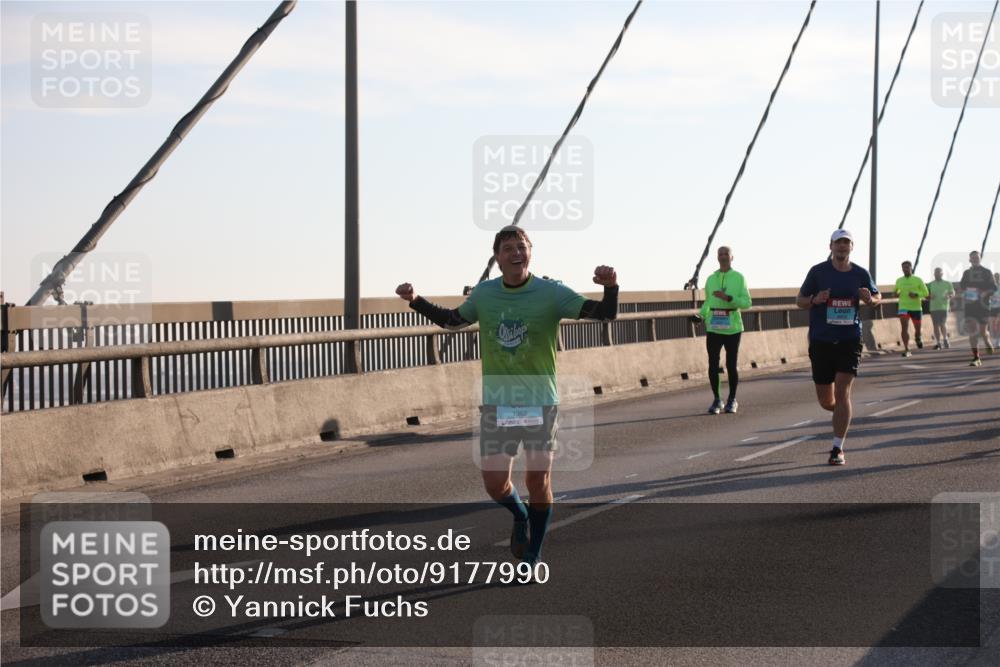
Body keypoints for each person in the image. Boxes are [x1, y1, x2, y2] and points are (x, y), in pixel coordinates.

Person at [396, 225, 618, 568]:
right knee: (495, 484)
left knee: (537, 479)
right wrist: (416, 301)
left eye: (522, 246)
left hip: (540, 401)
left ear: (530, 252)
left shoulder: (552, 292)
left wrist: (611, 288)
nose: (516, 253)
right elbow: (453, 322)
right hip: (498, 403)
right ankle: (520, 514)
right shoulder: (485, 294)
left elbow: (604, 314)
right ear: (497, 258)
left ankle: (533, 554)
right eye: (508, 248)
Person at [796, 230, 881, 466]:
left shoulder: (860, 273)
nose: (842, 247)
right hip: (821, 340)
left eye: (846, 243)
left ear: (852, 247)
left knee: (843, 392)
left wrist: (870, 299)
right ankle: (841, 414)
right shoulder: (818, 272)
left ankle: (837, 448)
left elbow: (877, 296)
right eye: (838, 243)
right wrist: (815, 300)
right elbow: (800, 301)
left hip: (849, 340)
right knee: (827, 401)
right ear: (830, 246)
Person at [697, 246, 752, 414]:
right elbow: (708, 302)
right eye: (720, 254)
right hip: (714, 327)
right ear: (717, 257)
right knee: (713, 364)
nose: (723, 256)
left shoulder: (739, 278)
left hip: (732, 328)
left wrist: (728, 298)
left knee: (731, 364)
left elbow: (747, 303)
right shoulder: (711, 279)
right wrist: (700, 315)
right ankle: (717, 400)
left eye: (726, 253)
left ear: (732, 257)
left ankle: (732, 400)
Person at [958, 251, 996, 367]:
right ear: (970, 260)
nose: (975, 259)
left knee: (983, 332)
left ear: (980, 259)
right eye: (973, 258)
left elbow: (993, 288)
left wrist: (983, 293)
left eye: (977, 258)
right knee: (972, 331)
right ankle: (976, 357)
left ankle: (987, 341)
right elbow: (962, 287)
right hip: (970, 305)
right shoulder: (966, 273)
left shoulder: (987, 272)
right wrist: (966, 293)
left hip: (983, 306)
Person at [893, 261, 928, 357]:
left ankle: (918, 336)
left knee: (917, 329)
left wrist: (916, 295)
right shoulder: (899, 280)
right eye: (903, 268)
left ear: (911, 268)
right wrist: (896, 293)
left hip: (916, 307)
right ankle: (907, 349)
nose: (905, 269)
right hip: (903, 307)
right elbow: (895, 291)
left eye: (907, 267)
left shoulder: (918, 280)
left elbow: (926, 293)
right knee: (904, 327)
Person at [926, 267, 955, 350]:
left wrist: (949, 296)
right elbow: (924, 294)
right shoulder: (930, 284)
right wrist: (928, 296)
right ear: (934, 274)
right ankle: (938, 342)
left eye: (939, 273)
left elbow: (952, 293)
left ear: (942, 274)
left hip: (944, 307)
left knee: (942, 323)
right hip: (933, 307)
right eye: (935, 273)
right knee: (935, 325)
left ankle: (945, 338)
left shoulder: (948, 283)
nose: (937, 274)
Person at [991, 272, 1000, 349]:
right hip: (992, 308)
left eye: (998, 277)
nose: (997, 278)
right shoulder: (990, 287)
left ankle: (998, 340)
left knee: (998, 323)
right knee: (994, 325)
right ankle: (995, 339)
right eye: (995, 277)